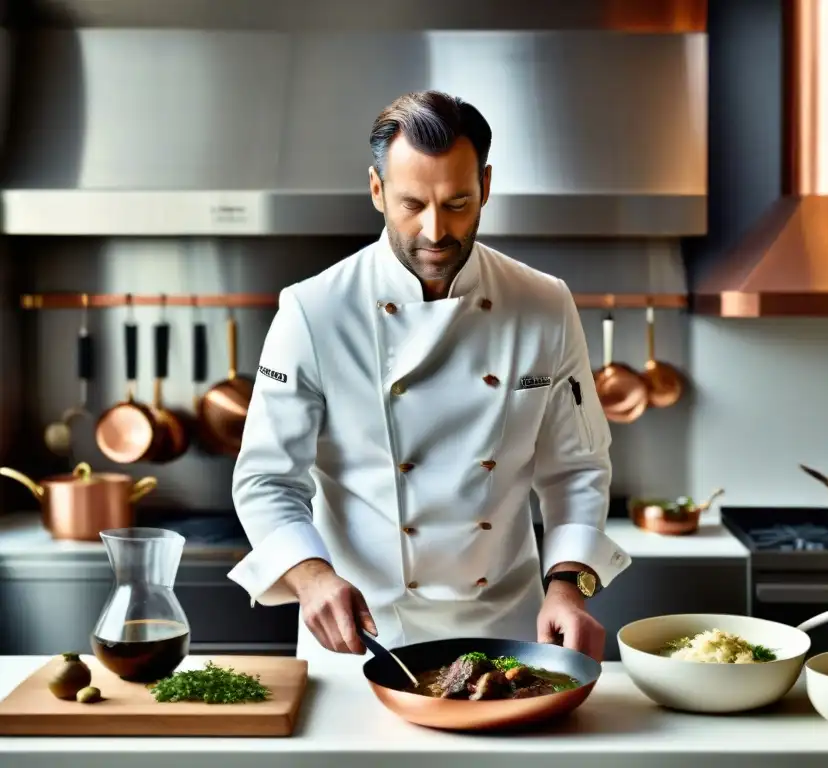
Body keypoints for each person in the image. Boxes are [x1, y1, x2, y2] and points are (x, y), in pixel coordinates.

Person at [227, 90, 631, 664]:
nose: (436, 230)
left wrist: (568, 587)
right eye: (412, 203)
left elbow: (577, 469)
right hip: (362, 634)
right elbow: (266, 480)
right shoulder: (313, 311)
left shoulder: (544, 303)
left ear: (486, 188)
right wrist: (311, 577)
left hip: (511, 633)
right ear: (377, 191)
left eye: (458, 202)